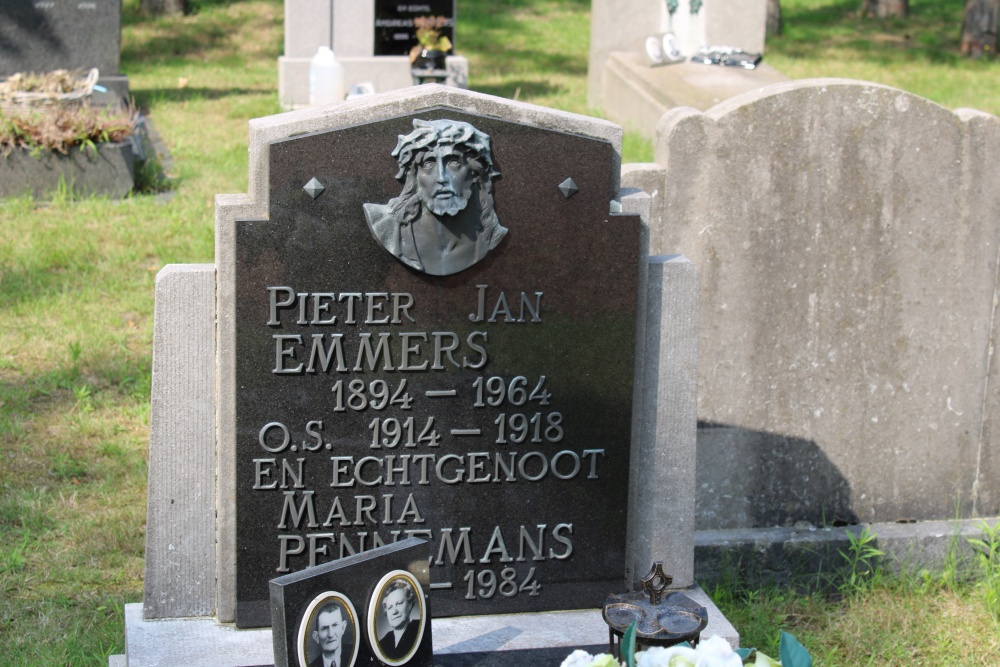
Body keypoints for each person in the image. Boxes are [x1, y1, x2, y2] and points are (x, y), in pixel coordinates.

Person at [363, 118, 508, 276]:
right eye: (428, 164)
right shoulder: (386, 226)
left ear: (475, 173)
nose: (441, 177)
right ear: (414, 176)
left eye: (453, 163)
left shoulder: (491, 235)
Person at [376, 580, 421, 661]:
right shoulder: (383, 642)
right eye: (390, 607)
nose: (394, 611)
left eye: (399, 603)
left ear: (410, 604)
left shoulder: (421, 628)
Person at [307, 602, 350, 667]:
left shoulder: (360, 656)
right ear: (316, 637)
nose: (331, 634)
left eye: (335, 625)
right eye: (324, 628)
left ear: (343, 627)